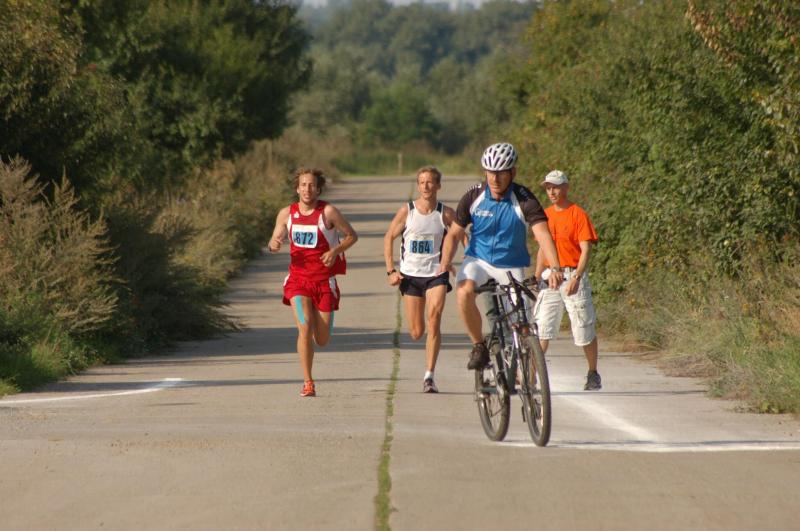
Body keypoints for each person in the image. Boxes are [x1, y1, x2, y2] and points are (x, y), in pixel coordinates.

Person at [439, 142, 563, 371]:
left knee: (523, 323)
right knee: (464, 291)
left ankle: (526, 375)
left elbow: (543, 235)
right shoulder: (473, 196)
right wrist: (445, 262)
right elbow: (454, 234)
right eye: (490, 173)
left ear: (512, 173)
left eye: (501, 173)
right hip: (478, 260)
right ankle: (478, 345)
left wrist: (555, 267)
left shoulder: (524, 199)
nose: (494, 179)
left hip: (511, 265)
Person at [268, 168, 358, 397]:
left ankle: (321, 326)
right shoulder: (286, 214)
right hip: (298, 281)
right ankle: (308, 381)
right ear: (297, 188)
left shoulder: (328, 212)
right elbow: (274, 238)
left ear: (318, 189)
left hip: (324, 282)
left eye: (312, 185)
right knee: (305, 327)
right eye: (303, 185)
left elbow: (352, 236)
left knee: (322, 339)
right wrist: (274, 244)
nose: (307, 189)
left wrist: (335, 251)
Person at [384, 166, 458, 393]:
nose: (426, 186)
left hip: (436, 274)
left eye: (430, 182)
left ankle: (429, 376)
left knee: (434, 319)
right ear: (418, 186)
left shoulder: (445, 213)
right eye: (422, 182)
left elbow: (461, 236)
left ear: (438, 185)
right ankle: (427, 363)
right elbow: (388, 237)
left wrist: (460, 261)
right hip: (410, 276)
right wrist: (391, 271)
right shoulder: (407, 211)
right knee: (416, 332)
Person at [533, 170, 601, 390]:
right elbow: (542, 249)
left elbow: (586, 249)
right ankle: (531, 375)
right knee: (543, 326)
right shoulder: (544, 216)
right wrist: (536, 276)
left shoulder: (577, 214)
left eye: (555, 187)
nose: (551, 191)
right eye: (548, 188)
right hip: (550, 277)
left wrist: (577, 277)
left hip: (572, 274)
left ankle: (593, 372)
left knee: (583, 327)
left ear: (566, 187)